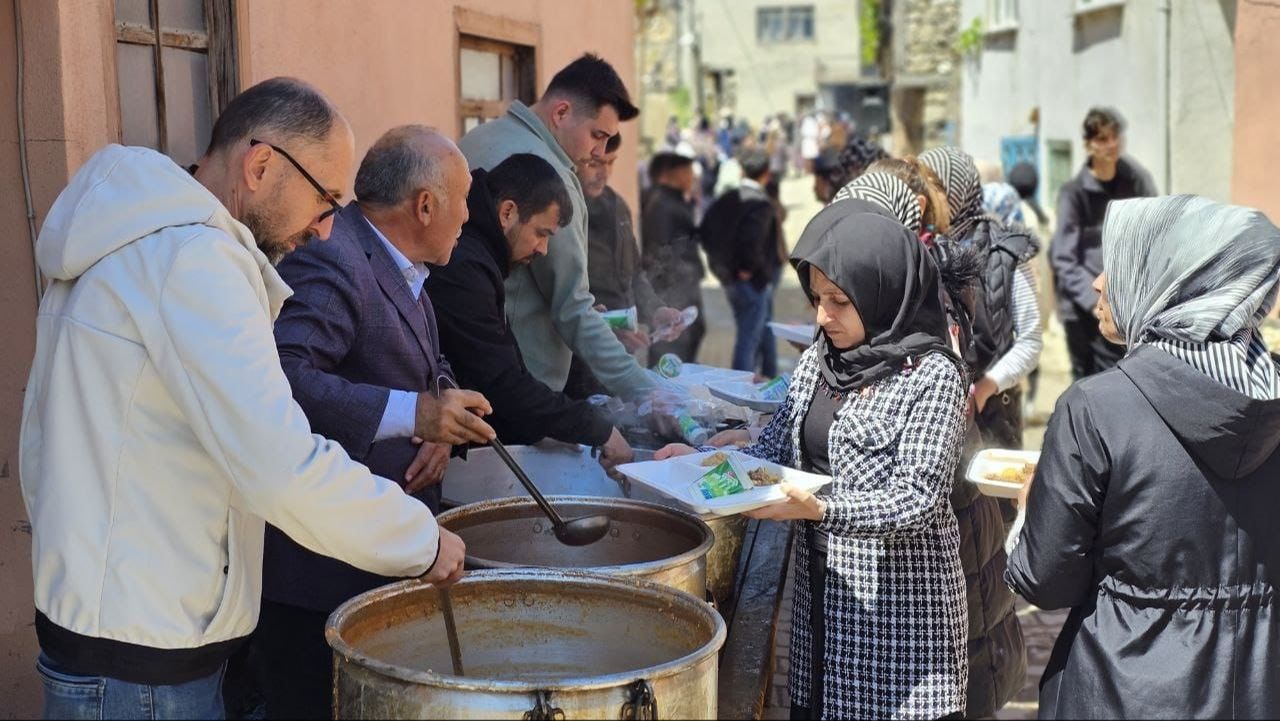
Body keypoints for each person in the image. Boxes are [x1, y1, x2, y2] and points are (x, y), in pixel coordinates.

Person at [19, 78, 480, 720]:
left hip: (116, 634)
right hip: (141, 660)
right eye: (326, 201)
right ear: (262, 165)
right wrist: (421, 541)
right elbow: (279, 464)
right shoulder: (194, 258)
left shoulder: (136, 238)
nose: (325, 231)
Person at [658, 202, 971, 719]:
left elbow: (916, 499)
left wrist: (820, 508)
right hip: (824, 603)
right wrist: (700, 460)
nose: (823, 316)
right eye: (818, 299)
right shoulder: (820, 360)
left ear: (882, 292)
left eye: (840, 301)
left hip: (900, 619)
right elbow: (774, 450)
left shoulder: (931, 375)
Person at [1007, 195, 1280, 718]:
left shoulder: (1096, 407)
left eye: (1123, 262)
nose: (1099, 281)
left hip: (1119, 686)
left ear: (1176, 281)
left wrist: (1028, 514)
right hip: (1257, 684)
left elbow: (1046, 580)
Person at [251, 126, 485, 719]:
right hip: (319, 578)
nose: (468, 216)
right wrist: (414, 413)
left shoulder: (400, 261)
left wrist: (441, 409)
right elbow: (285, 376)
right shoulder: (336, 255)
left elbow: (427, 363)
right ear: (425, 205)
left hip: (376, 557)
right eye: (463, 199)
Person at [834, 170, 1026, 719]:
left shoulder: (922, 302)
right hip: (943, 504)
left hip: (945, 509)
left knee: (961, 642)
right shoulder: (894, 291)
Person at [456, 54, 653, 400]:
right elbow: (572, 308)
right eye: (598, 135)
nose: (599, 152)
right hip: (519, 386)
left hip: (458, 370)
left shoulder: (476, 138)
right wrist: (650, 392)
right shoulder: (551, 179)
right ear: (561, 113)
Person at [425, 153, 635, 472]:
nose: (542, 249)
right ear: (508, 212)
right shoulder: (466, 264)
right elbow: (500, 383)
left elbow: (504, 368)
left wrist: (543, 428)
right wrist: (596, 428)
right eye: (541, 233)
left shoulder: (482, 256)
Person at [921, 146, 1042, 456]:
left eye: (932, 186)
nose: (923, 196)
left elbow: (1030, 342)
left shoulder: (1006, 252)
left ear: (955, 188)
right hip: (933, 418)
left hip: (992, 417)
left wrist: (984, 388)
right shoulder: (923, 248)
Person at [566, 132, 685, 396]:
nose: (604, 173)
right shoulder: (563, 211)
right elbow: (563, 303)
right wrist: (609, 329)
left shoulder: (617, 205)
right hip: (575, 362)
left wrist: (656, 311)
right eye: (595, 164)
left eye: (611, 163)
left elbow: (634, 274)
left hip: (622, 355)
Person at [1050, 107, 1157, 380]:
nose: (1111, 145)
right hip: (1084, 307)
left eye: (1115, 137)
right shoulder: (1073, 195)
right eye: (1102, 139)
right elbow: (1064, 259)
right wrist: (1096, 302)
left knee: (1122, 379)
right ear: (1088, 145)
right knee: (1088, 382)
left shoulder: (1135, 181)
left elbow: (1153, 231)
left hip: (1124, 303)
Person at [701, 147, 784, 376]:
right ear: (766, 174)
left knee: (761, 328)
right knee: (749, 338)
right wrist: (746, 268)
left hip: (734, 278)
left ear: (741, 172)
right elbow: (751, 239)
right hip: (751, 280)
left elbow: (706, 231)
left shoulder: (727, 199)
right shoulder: (760, 203)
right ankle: (741, 390)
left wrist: (721, 267)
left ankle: (770, 375)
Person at [643, 150, 706, 363]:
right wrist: (671, 291)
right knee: (673, 345)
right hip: (672, 288)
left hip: (683, 283)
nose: (692, 178)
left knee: (692, 334)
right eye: (687, 172)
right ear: (669, 174)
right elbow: (659, 251)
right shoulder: (660, 203)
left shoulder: (672, 200)